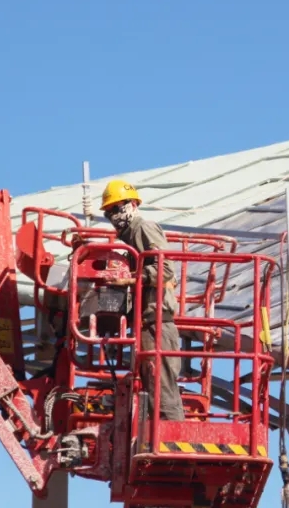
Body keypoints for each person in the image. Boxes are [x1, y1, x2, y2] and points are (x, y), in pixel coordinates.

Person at [100, 179, 185, 421]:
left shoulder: (143, 228)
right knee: (150, 388)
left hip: (157, 321)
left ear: (132, 204)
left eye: (116, 209)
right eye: (108, 213)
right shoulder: (127, 238)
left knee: (162, 388)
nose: (113, 216)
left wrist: (131, 279)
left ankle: (171, 443)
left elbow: (165, 268)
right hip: (146, 323)